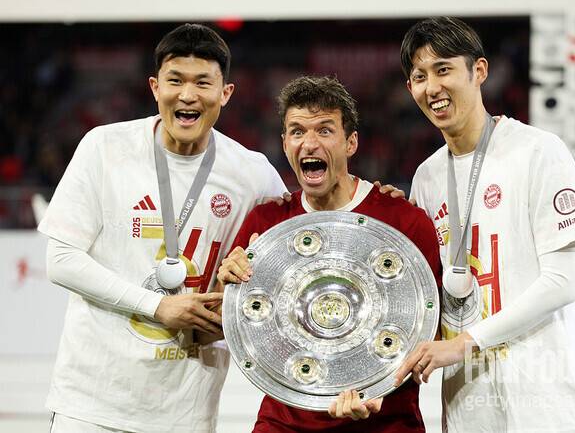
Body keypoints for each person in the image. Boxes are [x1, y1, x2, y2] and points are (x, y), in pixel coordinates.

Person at [39, 23, 286, 433]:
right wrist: (158, 306)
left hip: (185, 413)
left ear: (225, 93)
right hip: (90, 405)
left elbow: (301, 239)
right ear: (155, 87)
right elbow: (61, 260)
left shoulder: (253, 174)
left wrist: (371, 196)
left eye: (202, 82)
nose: (187, 95)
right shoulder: (104, 148)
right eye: (175, 80)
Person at [394, 17, 575, 432]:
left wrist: (464, 344)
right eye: (419, 76)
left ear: (479, 71)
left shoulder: (538, 152)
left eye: (443, 69)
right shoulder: (426, 178)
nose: (431, 87)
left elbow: (562, 282)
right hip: (469, 408)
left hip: (546, 404)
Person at [217, 75, 442, 432]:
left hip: (384, 422)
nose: (309, 143)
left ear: (351, 142)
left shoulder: (403, 223)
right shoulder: (267, 224)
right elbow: (235, 321)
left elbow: (430, 332)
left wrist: (378, 386)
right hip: (286, 423)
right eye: (297, 132)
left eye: (324, 130)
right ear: (284, 143)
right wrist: (229, 280)